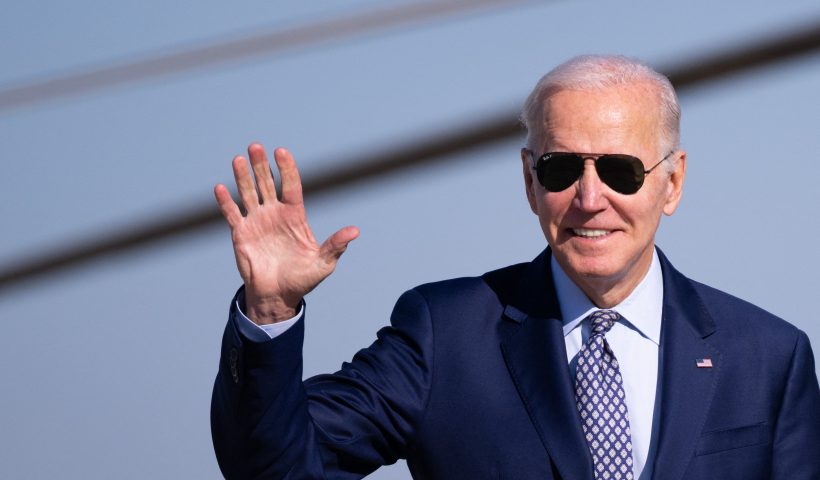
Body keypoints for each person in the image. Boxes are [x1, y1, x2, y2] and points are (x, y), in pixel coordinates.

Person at [210, 55, 820, 479]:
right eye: (561, 170)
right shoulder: (443, 334)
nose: (588, 198)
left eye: (620, 171)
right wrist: (270, 310)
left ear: (673, 182)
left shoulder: (768, 356)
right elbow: (277, 468)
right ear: (530, 183)